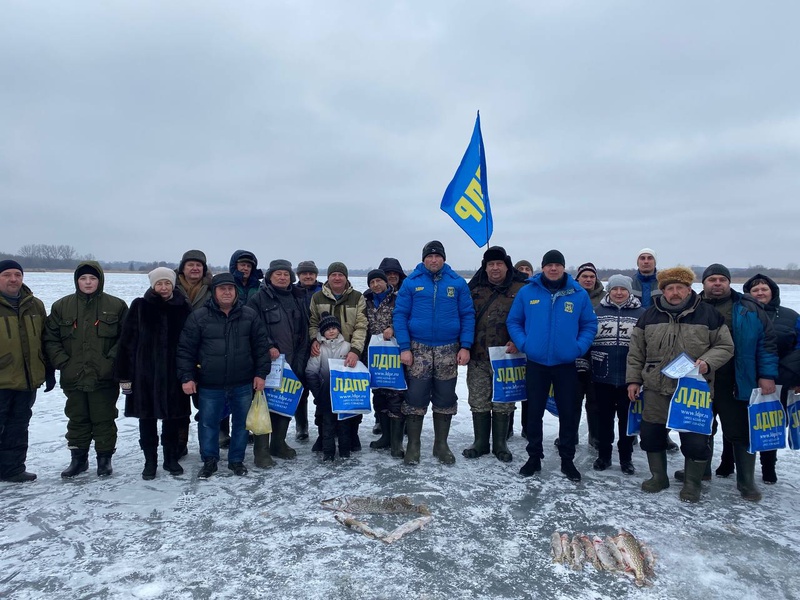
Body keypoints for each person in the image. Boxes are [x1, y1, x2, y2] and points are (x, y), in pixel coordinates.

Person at [626, 266, 734, 503]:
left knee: (695, 441)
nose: (674, 292)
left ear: (689, 289)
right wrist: (634, 379)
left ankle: (692, 483)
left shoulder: (708, 315)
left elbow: (726, 347)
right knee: (651, 436)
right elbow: (636, 352)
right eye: (669, 288)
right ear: (663, 291)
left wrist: (707, 362)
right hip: (655, 387)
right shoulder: (649, 315)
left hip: (693, 390)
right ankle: (659, 477)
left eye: (680, 288)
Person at [507, 250, 598, 482]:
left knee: (569, 413)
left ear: (564, 268)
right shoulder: (528, 292)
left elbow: (589, 324)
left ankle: (567, 460)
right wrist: (524, 343)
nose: (553, 269)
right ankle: (534, 457)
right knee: (534, 413)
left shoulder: (578, 293)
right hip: (536, 363)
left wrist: (578, 348)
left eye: (558, 265)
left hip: (566, 364)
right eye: (549, 265)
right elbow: (514, 321)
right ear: (543, 267)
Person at [696, 264, 778, 502]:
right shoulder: (693, 306)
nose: (717, 283)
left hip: (737, 379)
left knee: (740, 432)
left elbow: (767, 344)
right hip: (701, 379)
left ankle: (746, 480)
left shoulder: (749, 307)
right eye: (712, 279)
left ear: (729, 282)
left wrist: (767, 375)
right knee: (701, 427)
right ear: (704, 283)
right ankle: (702, 470)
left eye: (722, 279)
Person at [176, 273, 270, 479]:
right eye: (222, 289)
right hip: (210, 383)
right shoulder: (199, 317)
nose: (227, 292)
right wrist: (187, 377)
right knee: (208, 422)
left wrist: (261, 374)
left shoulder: (249, 315)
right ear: (214, 292)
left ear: (236, 292)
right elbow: (185, 350)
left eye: (231, 288)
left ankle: (236, 460)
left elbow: (261, 348)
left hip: (243, 382)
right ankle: (209, 460)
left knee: (241, 423)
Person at [394, 241, 475, 465]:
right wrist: (404, 347)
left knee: (445, 396)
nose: (433, 260)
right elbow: (400, 315)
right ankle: (413, 445)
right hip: (418, 348)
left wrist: (465, 345)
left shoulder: (457, 283)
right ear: (423, 260)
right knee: (416, 397)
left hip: (448, 348)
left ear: (443, 258)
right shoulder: (412, 283)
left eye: (437, 256)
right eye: (429, 257)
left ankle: (441, 445)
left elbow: (467, 315)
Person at [45, 261, 128, 478]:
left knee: (104, 418)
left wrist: (110, 362)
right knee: (77, 418)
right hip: (74, 375)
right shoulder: (61, 306)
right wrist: (63, 362)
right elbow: (50, 338)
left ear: (99, 280)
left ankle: (104, 460)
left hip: (104, 376)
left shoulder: (116, 305)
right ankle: (78, 460)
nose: (88, 282)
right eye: (83, 278)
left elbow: (126, 339)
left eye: (92, 278)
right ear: (77, 281)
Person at [115, 267, 192, 480]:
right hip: (144, 377)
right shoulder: (140, 306)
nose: (164, 287)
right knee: (146, 420)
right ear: (152, 285)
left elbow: (191, 342)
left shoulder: (183, 308)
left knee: (173, 420)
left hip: (173, 376)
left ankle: (170, 458)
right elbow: (126, 343)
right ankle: (150, 461)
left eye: (167, 283)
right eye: (159, 283)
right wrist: (124, 376)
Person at [463, 246, 527, 463]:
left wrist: (520, 340)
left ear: (507, 266)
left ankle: (500, 444)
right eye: (491, 264)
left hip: (508, 355)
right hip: (478, 355)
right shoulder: (475, 288)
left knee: (503, 402)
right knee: (478, 400)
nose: (495, 268)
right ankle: (480, 442)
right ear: (485, 267)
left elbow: (530, 319)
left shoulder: (522, 289)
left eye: (499, 264)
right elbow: (464, 317)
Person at [247, 259, 310, 466]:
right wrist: (268, 345)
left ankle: (278, 443)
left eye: (285, 274)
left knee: (286, 402)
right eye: (278, 274)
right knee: (265, 406)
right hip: (269, 362)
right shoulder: (259, 299)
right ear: (269, 277)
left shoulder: (298, 297)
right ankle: (261, 451)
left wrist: (301, 357)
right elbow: (253, 327)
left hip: (294, 360)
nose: (282, 277)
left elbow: (304, 328)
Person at [742, 273, 800, 483]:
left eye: (763, 289)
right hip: (746, 376)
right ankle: (729, 461)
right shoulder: (742, 312)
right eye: (755, 290)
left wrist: (793, 374)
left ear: (772, 292)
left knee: (770, 422)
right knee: (740, 421)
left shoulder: (790, 316)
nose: (759, 293)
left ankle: (768, 466)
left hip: (780, 378)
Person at [0, 260, 54, 482]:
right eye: (6, 275)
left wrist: (48, 369)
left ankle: (12, 469)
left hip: (27, 379)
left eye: (17, 275)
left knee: (18, 427)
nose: (13, 279)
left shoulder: (35, 305)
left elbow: (45, 339)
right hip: (2, 380)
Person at [308, 262, 368, 451]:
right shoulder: (317, 297)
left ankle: (352, 434)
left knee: (351, 396)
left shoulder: (357, 297)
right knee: (323, 400)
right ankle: (323, 435)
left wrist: (355, 350)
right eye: (333, 274)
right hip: (325, 352)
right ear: (328, 277)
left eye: (340, 274)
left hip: (348, 353)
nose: (337, 278)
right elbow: (313, 322)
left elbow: (361, 325)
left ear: (346, 277)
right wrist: (314, 340)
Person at [589, 274, 644, 474]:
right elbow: (587, 340)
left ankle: (626, 458)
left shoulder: (641, 314)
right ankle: (603, 456)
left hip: (629, 379)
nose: (619, 293)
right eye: (614, 289)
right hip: (602, 375)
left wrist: (638, 377)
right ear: (609, 291)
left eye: (623, 289)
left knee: (626, 421)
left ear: (629, 291)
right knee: (603, 419)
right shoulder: (596, 312)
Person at [173, 249, 214, 457]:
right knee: (178, 405)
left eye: (199, 265)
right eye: (190, 265)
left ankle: (207, 445)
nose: (195, 268)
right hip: (174, 353)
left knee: (205, 405)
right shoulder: (170, 286)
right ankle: (179, 445)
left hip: (205, 353)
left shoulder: (211, 288)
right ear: (183, 267)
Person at [363, 268, 405, 458]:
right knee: (379, 396)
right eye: (372, 283)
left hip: (395, 355)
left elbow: (409, 318)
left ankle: (397, 443)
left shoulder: (399, 298)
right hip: (374, 356)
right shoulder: (366, 301)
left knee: (395, 397)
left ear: (386, 282)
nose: (375, 285)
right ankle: (385, 437)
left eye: (378, 281)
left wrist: (394, 328)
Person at [567, 262, 604, 450]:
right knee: (572, 399)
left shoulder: (605, 299)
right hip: (574, 354)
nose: (588, 280)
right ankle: (569, 435)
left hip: (598, 355)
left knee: (595, 400)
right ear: (577, 279)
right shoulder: (570, 295)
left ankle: (595, 436)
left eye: (592, 277)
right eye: (585, 277)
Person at [306, 313, 352, 460]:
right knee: (327, 425)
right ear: (322, 332)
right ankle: (328, 452)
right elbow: (311, 371)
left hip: (343, 395)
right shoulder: (319, 348)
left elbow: (355, 369)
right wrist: (318, 393)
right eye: (327, 329)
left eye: (334, 328)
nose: (331, 331)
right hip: (325, 394)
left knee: (344, 425)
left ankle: (345, 450)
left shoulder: (347, 347)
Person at [293, 260, 323, 441]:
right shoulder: (293, 292)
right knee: (300, 389)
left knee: (322, 386)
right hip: (298, 346)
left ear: (316, 275)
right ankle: (301, 426)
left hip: (321, 344)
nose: (308, 276)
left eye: (311, 273)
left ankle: (324, 423)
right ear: (298, 276)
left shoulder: (323, 292)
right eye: (304, 273)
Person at [512, 259, 535, 438]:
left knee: (529, 391)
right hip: (513, 346)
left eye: (528, 269)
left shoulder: (536, 291)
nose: (525, 271)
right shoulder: (511, 289)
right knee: (511, 388)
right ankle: (507, 427)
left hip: (532, 348)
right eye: (521, 269)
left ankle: (528, 427)